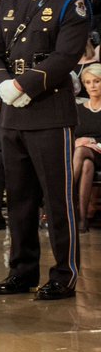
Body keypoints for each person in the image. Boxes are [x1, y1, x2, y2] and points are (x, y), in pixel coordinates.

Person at [0, 0, 90, 301]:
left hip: (49, 113)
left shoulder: (71, 4)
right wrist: (4, 87)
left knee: (56, 199)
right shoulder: (9, 2)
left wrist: (24, 86)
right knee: (19, 199)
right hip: (12, 115)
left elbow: (65, 57)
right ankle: (22, 271)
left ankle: (64, 274)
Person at [72, 64, 101, 233]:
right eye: (88, 82)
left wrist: (91, 141)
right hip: (85, 156)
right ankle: (82, 220)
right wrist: (77, 141)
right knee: (86, 164)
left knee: (82, 151)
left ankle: (64, 194)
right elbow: (72, 135)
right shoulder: (79, 109)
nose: (92, 86)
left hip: (99, 152)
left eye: (96, 81)